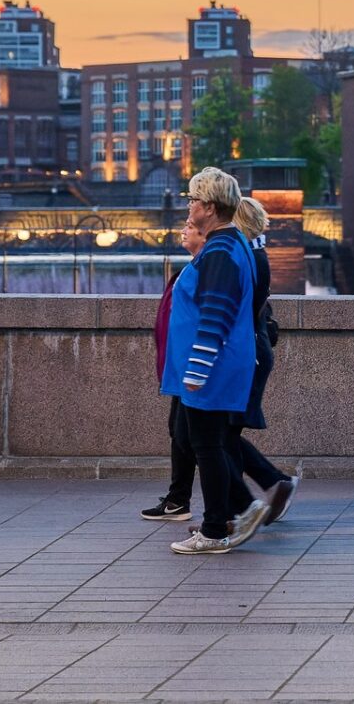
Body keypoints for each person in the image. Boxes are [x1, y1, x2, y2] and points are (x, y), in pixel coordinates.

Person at [161, 166, 265, 556]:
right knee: (201, 440)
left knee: (206, 443)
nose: (188, 206)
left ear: (209, 205)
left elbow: (217, 312)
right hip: (219, 363)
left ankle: (216, 529)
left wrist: (197, 369)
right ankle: (235, 513)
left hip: (213, 367)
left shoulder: (220, 251)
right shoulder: (229, 243)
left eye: (192, 199)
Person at [232, 197, 298, 527]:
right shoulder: (255, 254)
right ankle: (263, 492)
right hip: (255, 349)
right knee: (219, 434)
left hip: (248, 351)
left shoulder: (247, 258)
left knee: (218, 434)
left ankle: (254, 500)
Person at [141, 218, 206, 524]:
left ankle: (243, 502)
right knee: (181, 433)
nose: (183, 229)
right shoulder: (191, 268)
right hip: (181, 368)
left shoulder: (206, 268)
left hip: (195, 368)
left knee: (199, 437)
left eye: (190, 226)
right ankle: (178, 499)